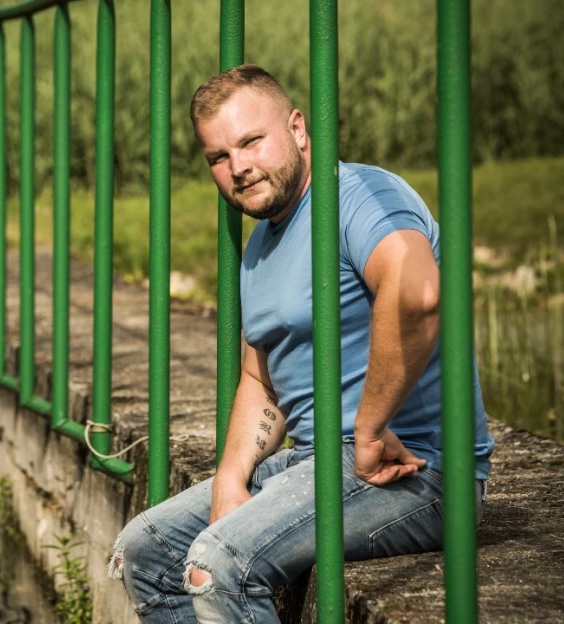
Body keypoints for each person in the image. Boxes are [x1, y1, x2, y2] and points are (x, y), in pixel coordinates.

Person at [108, 64, 495, 624]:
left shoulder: (359, 194)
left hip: (414, 471)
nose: (238, 168)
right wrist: (231, 477)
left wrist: (366, 430)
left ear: (297, 128)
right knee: (147, 552)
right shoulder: (259, 246)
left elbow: (419, 293)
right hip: (313, 464)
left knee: (219, 562)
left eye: (251, 142)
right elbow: (260, 378)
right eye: (218, 157)